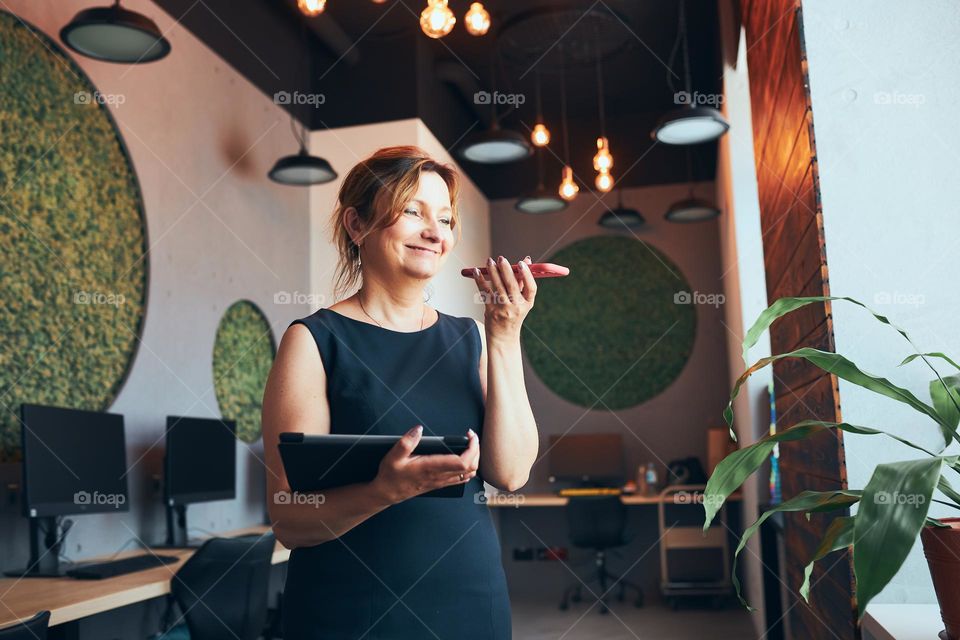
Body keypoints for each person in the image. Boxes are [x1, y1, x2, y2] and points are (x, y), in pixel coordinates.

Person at [261, 145, 540, 639]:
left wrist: (505, 332)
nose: (435, 232)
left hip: (470, 603)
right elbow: (289, 520)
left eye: (445, 219)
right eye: (413, 212)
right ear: (357, 225)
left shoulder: (473, 338)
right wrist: (382, 492)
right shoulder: (313, 341)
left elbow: (511, 473)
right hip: (349, 615)